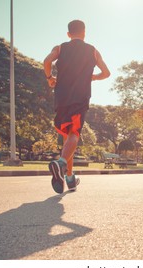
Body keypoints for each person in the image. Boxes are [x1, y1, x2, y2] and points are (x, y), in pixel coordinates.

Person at [43, 20, 110, 193]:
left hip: (61, 97)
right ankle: (61, 163)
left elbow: (46, 61)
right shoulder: (92, 51)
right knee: (74, 134)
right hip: (79, 97)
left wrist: (50, 78)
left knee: (67, 136)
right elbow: (106, 73)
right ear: (84, 33)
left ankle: (70, 179)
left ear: (68, 34)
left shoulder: (60, 48)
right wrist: (92, 77)